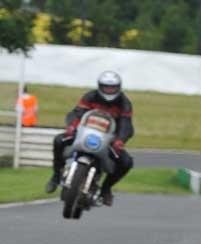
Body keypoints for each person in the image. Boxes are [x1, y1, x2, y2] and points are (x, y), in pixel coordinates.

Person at [45, 71, 134, 206]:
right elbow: (77, 112)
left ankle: (106, 189)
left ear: (119, 87)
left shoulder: (124, 103)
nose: (109, 91)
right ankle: (56, 175)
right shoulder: (90, 96)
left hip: (109, 139)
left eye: (113, 88)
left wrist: (120, 140)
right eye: (106, 87)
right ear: (99, 86)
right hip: (83, 133)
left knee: (126, 162)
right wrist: (72, 127)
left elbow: (125, 124)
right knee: (59, 140)